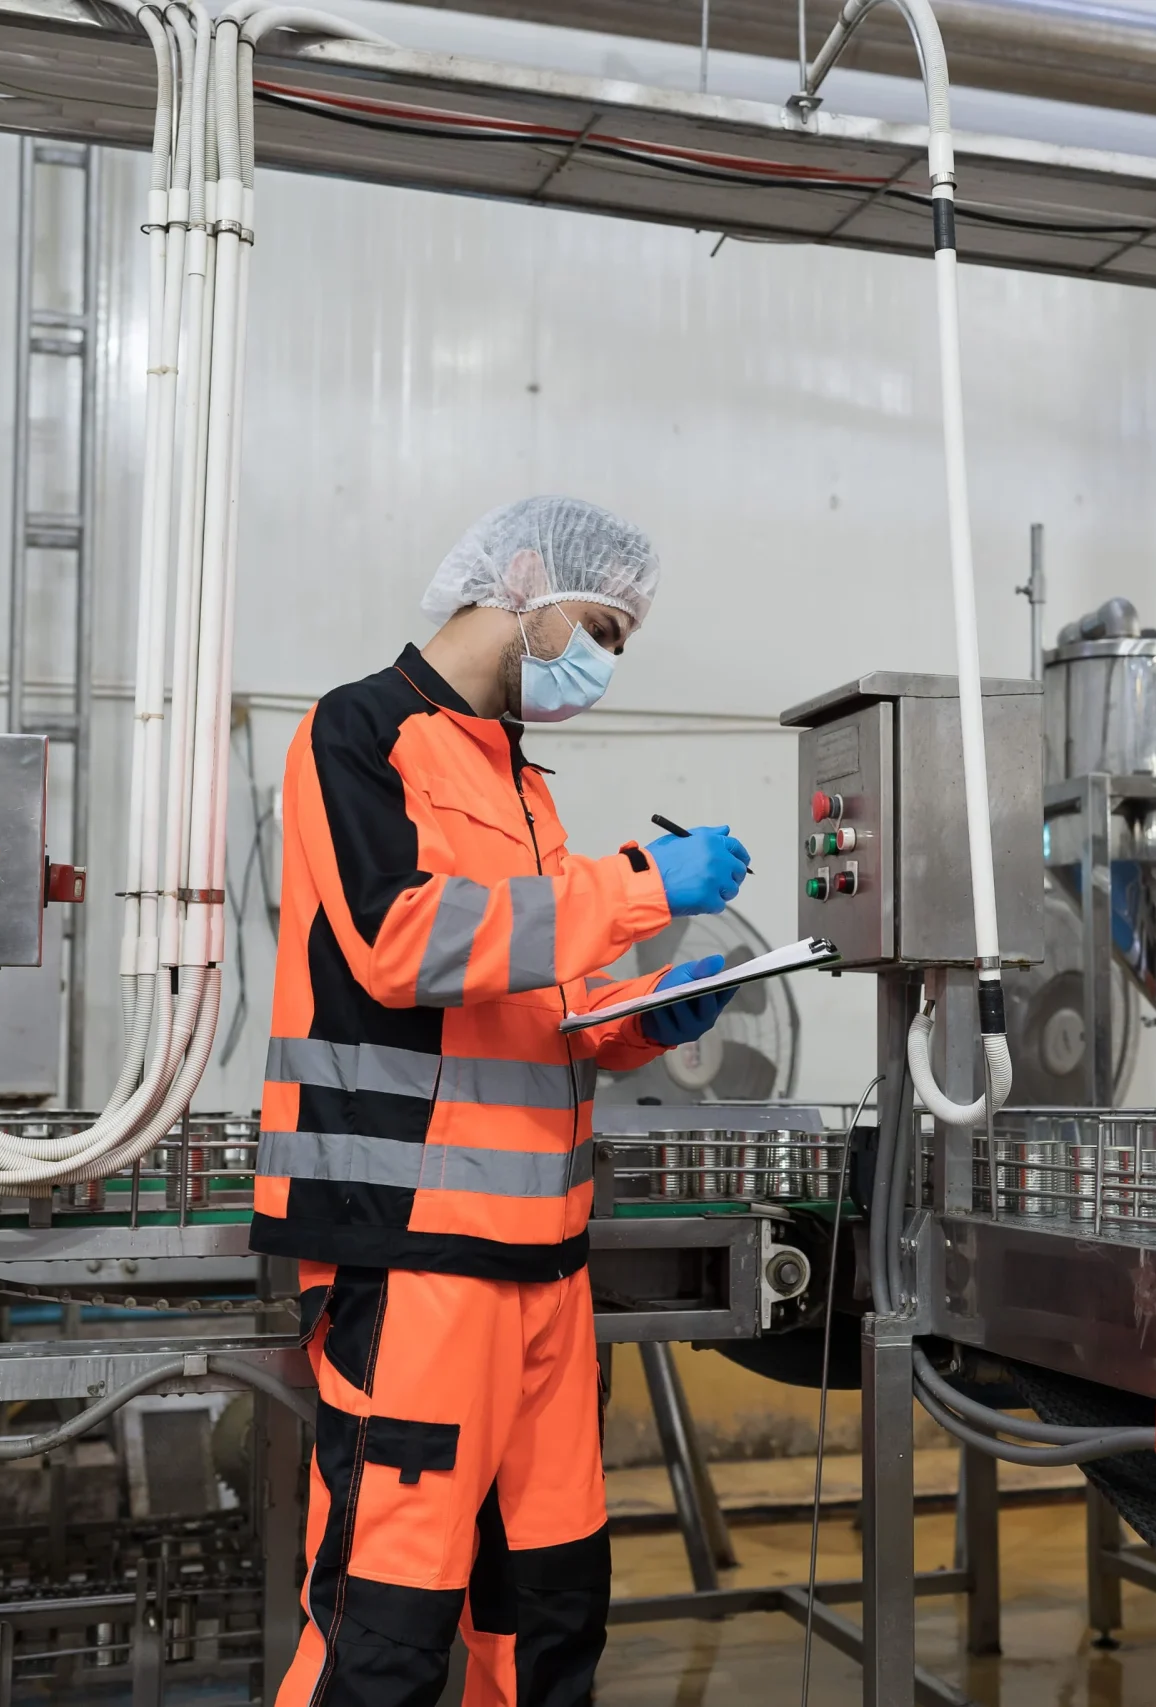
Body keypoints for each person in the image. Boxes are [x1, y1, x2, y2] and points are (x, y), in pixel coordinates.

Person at [255, 495, 751, 1707]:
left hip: (546, 1271)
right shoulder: (358, 733)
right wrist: (641, 885)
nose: (606, 665)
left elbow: (535, 1000)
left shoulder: (522, 784)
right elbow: (401, 941)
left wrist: (641, 1017)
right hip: (415, 1261)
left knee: (546, 1617)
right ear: (524, 578)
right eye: (602, 630)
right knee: (385, 1624)